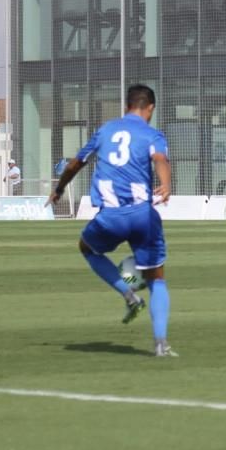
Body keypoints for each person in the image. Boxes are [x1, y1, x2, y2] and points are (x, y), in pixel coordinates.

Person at [46, 84, 177, 357]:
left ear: (127, 105)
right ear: (150, 108)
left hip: (110, 217)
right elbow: (160, 159)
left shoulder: (105, 131)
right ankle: (161, 344)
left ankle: (129, 296)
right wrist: (166, 184)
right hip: (143, 216)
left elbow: (75, 164)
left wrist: (59, 189)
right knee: (157, 278)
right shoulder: (152, 133)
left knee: (87, 247)